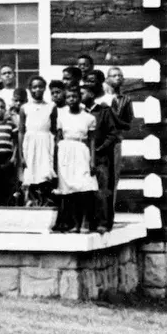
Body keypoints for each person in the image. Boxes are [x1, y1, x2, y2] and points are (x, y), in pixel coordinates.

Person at [53, 86, 99, 232]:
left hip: (81, 150)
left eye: (75, 96)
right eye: (68, 97)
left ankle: (85, 221)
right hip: (65, 151)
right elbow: (58, 137)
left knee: (85, 186)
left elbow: (92, 140)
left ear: (80, 98)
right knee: (69, 189)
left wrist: (92, 160)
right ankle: (75, 222)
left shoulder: (89, 118)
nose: (71, 99)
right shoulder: (61, 116)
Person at [93, 69, 132, 232]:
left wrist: (112, 119)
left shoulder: (125, 100)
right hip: (98, 142)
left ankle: (108, 218)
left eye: (120, 76)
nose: (117, 78)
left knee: (111, 180)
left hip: (114, 143)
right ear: (107, 79)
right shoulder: (98, 98)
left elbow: (128, 124)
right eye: (114, 75)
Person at [20, 76, 58, 206]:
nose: (37, 89)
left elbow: (53, 129)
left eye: (40, 86)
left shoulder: (51, 107)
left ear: (45, 88)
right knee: (31, 174)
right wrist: (21, 154)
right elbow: (21, 131)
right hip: (30, 144)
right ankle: (31, 203)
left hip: (46, 142)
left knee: (45, 174)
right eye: (34, 87)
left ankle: (45, 203)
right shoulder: (25, 108)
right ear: (29, 89)